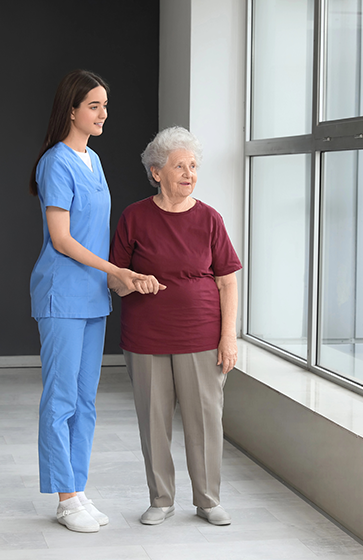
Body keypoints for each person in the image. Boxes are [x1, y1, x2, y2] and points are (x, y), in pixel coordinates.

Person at [28, 70, 163, 533]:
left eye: (105, 105)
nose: (103, 114)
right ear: (71, 110)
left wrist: (118, 277)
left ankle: (78, 489)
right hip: (62, 293)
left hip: (92, 296)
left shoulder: (94, 160)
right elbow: (63, 240)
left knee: (86, 399)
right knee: (61, 397)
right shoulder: (55, 163)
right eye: (93, 106)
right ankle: (64, 499)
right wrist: (117, 272)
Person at [109, 126, 242, 527]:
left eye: (193, 166)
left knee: (205, 421)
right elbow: (114, 277)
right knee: (154, 421)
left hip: (201, 336)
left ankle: (207, 500)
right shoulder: (134, 216)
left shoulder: (209, 219)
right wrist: (131, 279)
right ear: (156, 173)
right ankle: (161, 499)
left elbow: (227, 280)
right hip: (145, 337)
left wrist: (228, 336)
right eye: (179, 166)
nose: (189, 173)